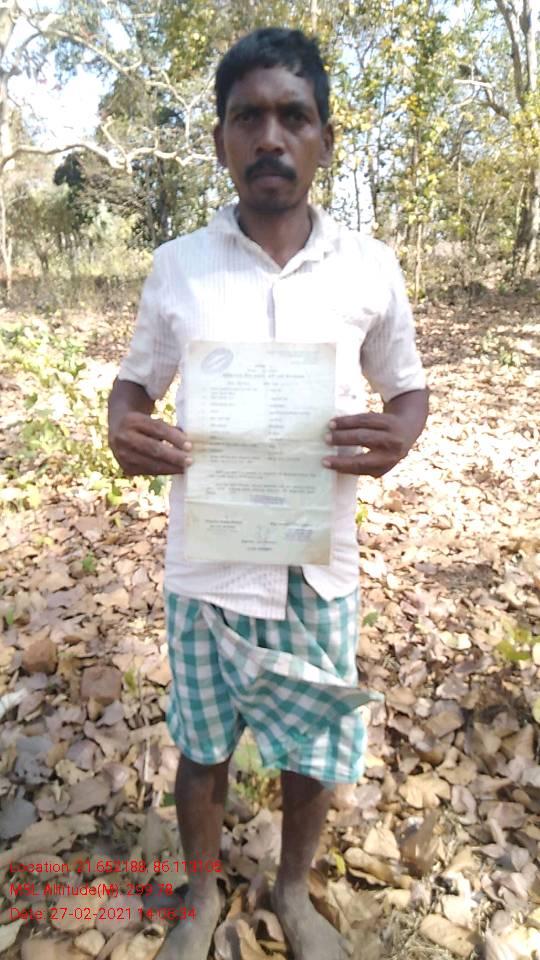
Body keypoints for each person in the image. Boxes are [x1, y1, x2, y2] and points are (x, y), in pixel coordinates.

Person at [107, 26, 429, 960]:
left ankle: (292, 889)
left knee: (312, 751)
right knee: (201, 746)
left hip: (317, 572)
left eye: (294, 116)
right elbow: (135, 385)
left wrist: (402, 434)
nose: (271, 137)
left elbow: (407, 387)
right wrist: (123, 427)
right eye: (247, 118)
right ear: (221, 141)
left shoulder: (369, 269)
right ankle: (202, 893)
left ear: (325, 138)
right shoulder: (178, 268)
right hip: (206, 571)